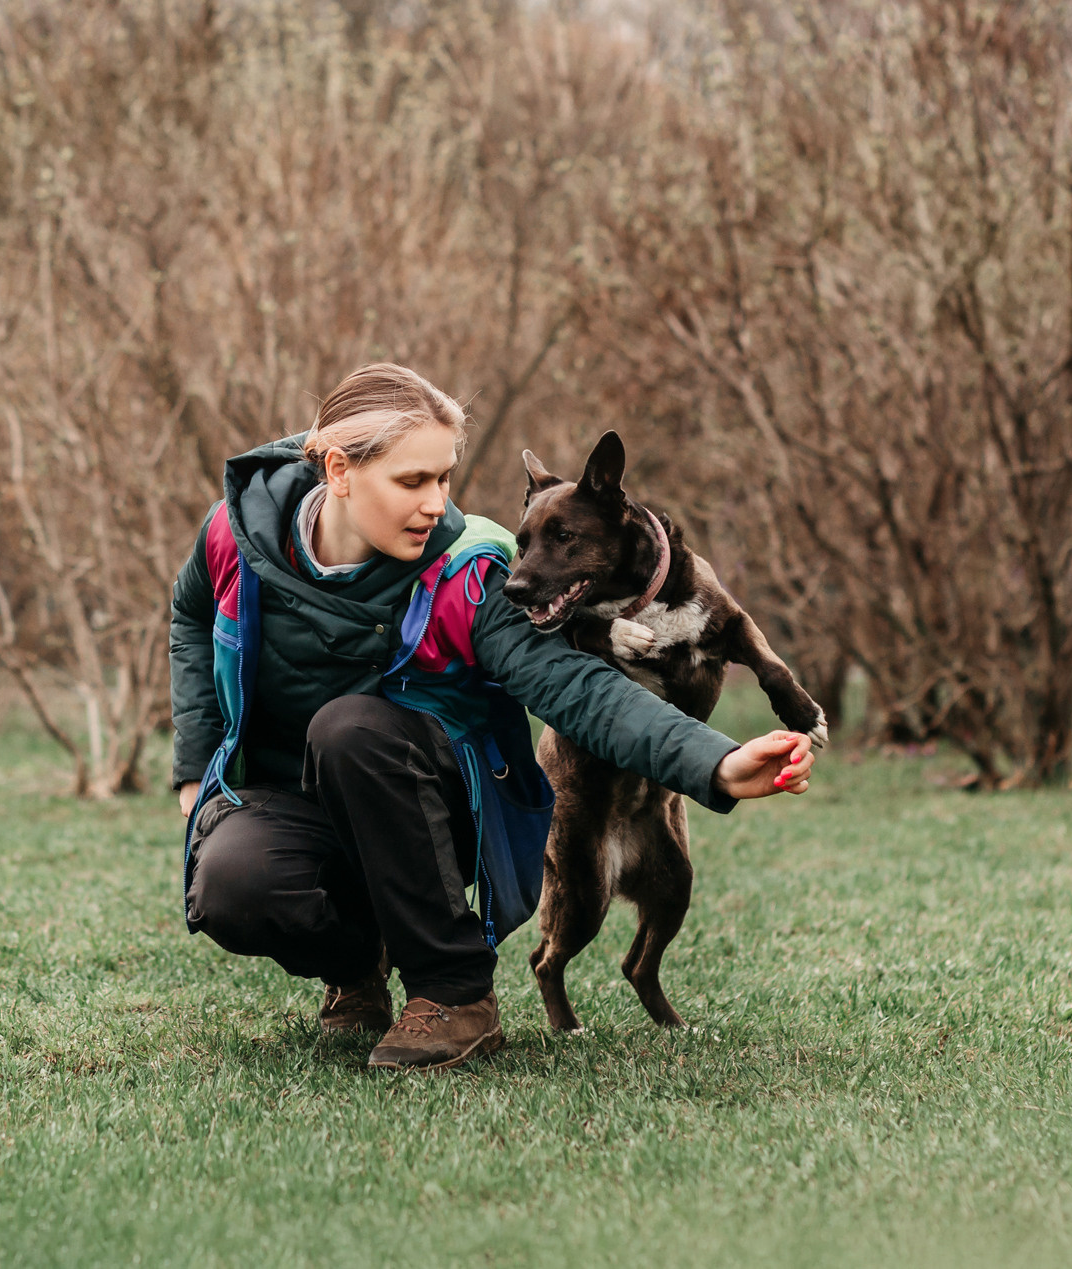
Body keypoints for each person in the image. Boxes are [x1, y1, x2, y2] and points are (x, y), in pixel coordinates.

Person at [170, 363, 815, 1070]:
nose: (435, 503)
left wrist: (712, 761)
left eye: (444, 477)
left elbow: (576, 686)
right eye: (412, 481)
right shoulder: (239, 532)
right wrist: (195, 764)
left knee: (349, 727)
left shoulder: (468, 567)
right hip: (292, 795)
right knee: (232, 886)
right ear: (339, 470)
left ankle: (454, 992)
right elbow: (192, 613)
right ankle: (359, 966)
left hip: (431, 801)